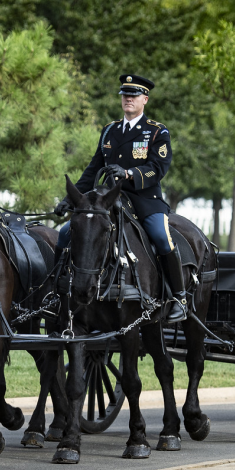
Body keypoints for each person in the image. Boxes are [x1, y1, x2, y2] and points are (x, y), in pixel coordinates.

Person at [54, 74, 185, 320]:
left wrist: (128, 172)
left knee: (161, 236)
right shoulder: (110, 131)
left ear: (144, 99)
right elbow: (93, 169)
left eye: (134, 95)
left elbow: (158, 168)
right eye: (125, 94)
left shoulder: (156, 132)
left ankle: (179, 297)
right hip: (107, 199)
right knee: (64, 233)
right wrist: (71, 199)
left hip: (144, 199)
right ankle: (56, 292)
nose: (128, 98)